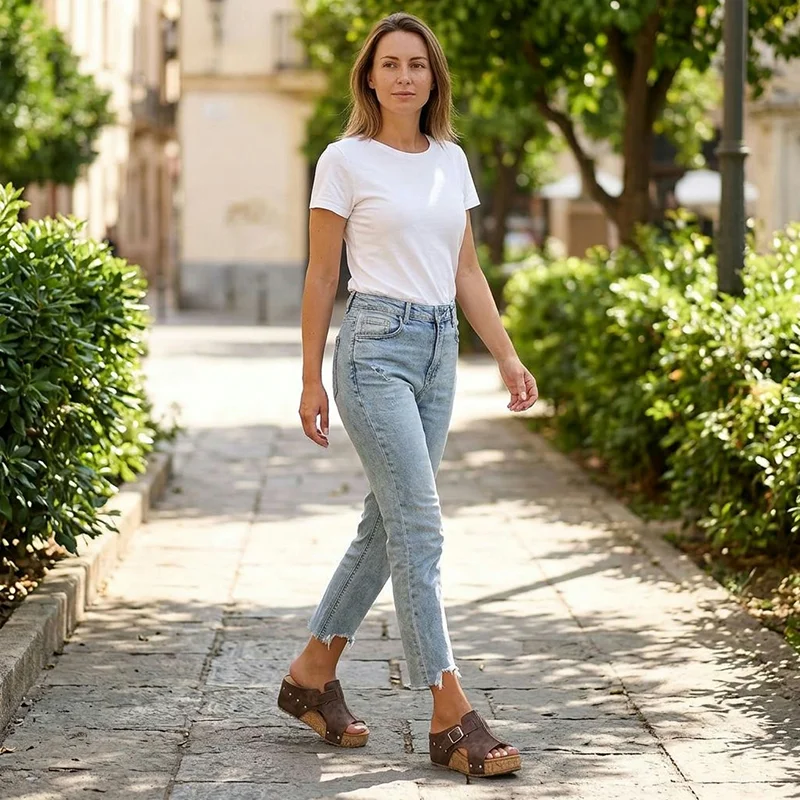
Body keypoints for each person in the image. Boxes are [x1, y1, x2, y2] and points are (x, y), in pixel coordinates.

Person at [278, 12, 538, 778]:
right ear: (369, 77)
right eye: (389, 64)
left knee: (387, 526)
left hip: (438, 353)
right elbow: (322, 274)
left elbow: (466, 272)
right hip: (374, 350)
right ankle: (449, 713)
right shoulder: (344, 161)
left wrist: (508, 356)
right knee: (419, 526)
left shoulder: (451, 160)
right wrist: (309, 376)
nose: (403, 76)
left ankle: (311, 674)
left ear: (433, 78)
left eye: (416, 65)